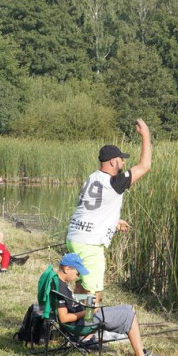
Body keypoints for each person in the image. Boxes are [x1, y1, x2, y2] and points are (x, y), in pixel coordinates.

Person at [65, 119, 153, 305]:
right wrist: (146, 135)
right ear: (113, 161)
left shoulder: (93, 177)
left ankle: (77, 317)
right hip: (90, 243)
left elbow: (94, 207)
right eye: (122, 159)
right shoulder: (114, 182)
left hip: (74, 237)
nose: (123, 162)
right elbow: (145, 166)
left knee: (82, 283)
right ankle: (87, 327)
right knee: (94, 290)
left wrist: (113, 221)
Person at [38, 253, 158, 356]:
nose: (78, 276)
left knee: (128, 308)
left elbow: (70, 301)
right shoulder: (61, 288)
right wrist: (88, 312)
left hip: (83, 317)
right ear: (67, 269)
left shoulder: (59, 282)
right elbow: (64, 318)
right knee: (128, 313)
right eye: (77, 272)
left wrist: (87, 299)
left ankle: (141, 352)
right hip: (82, 323)